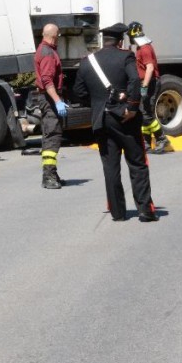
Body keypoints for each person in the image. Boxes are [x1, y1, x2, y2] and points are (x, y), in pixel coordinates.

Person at [73, 23, 157, 222]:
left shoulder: (87, 62)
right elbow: (135, 81)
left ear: (104, 41)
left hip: (101, 120)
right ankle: (145, 210)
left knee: (110, 167)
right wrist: (132, 106)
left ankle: (118, 213)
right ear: (120, 41)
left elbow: (79, 92)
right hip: (125, 118)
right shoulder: (126, 57)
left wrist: (98, 102)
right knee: (137, 163)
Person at [127, 21, 173, 154]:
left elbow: (150, 68)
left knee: (146, 114)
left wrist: (144, 86)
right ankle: (146, 143)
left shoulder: (145, 49)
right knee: (143, 113)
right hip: (146, 82)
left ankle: (162, 139)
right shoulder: (140, 48)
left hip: (149, 83)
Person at [33, 23, 67, 189]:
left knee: (52, 135)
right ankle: (48, 176)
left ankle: (52, 174)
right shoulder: (47, 53)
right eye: (58, 35)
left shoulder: (44, 49)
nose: (58, 38)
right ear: (54, 36)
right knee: (52, 136)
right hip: (48, 98)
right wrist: (57, 100)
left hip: (47, 97)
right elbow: (47, 80)